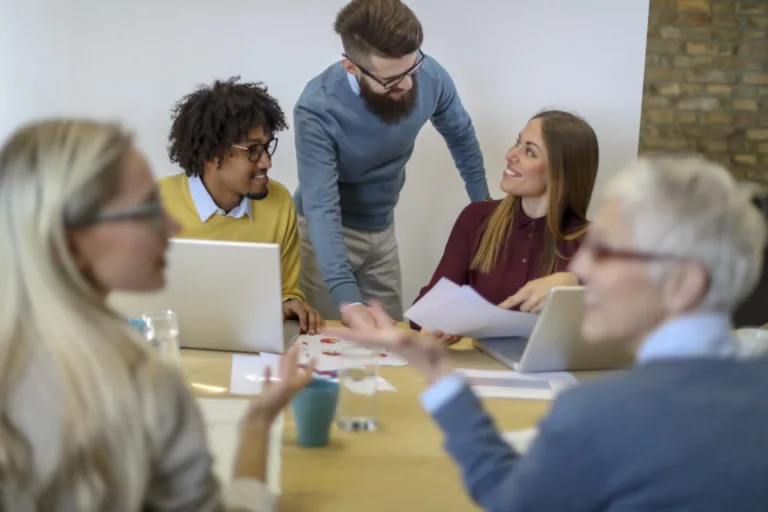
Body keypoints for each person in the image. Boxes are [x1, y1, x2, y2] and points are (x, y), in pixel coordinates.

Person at [326, 155, 768, 511]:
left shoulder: (597, 416)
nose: (580, 268)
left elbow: (506, 499)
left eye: (606, 250)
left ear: (683, 282)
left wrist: (440, 378)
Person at [0, 119, 315, 510]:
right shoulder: (145, 388)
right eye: (146, 209)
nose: (173, 224)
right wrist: (257, 426)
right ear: (72, 242)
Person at [293, 0, 490, 327]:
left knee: (391, 341)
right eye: (392, 81)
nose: (410, 84)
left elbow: (461, 136)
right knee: (328, 343)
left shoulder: (429, 75)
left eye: (412, 68)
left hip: (382, 228)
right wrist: (347, 299)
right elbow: (321, 206)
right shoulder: (316, 108)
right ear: (352, 68)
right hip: (323, 235)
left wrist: (485, 210)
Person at [410, 110, 598, 343]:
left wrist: (574, 284)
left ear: (561, 170)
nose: (510, 155)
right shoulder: (476, 218)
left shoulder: (595, 241)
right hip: (481, 368)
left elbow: (626, 322)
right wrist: (436, 327)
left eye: (529, 151)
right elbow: (422, 312)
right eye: (517, 143)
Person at [161, 77, 323, 334]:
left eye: (267, 148)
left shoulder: (278, 201)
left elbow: (286, 291)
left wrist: (290, 303)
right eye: (253, 150)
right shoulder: (154, 205)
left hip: (251, 349)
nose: (267, 162)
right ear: (213, 155)